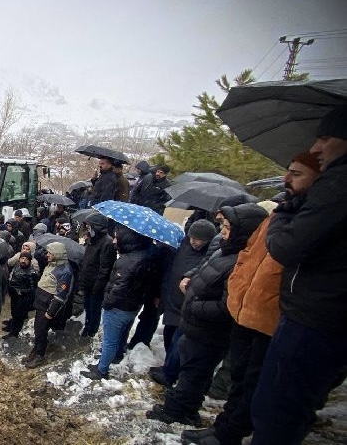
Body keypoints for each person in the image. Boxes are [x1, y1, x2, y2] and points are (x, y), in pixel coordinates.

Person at [181, 153, 321, 445]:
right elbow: (247, 255)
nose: (286, 179)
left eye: (296, 174)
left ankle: (230, 433)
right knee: (240, 378)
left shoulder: (312, 220)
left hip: (272, 317)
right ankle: (226, 429)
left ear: (320, 179)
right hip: (244, 312)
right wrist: (237, 293)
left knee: (258, 385)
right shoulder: (280, 215)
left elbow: (285, 256)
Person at [250, 106, 347, 445]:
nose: (318, 148)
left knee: (277, 408)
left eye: (325, 138)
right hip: (317, 312)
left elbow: (286, 248)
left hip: (315, 316)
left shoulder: (338, 186)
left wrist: (284, 216)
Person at [147, 203, 268, 427]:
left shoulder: (241, 262)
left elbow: (227, 306)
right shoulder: (226, 249)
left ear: (245, 232)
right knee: (192, 371)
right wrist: (189, 277)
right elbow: (206, 266)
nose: (222, 231)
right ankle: (188, 409)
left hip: (210, 331)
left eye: (228, 227)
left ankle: (174, 412)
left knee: (193, 373)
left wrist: (194, 305)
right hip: (197, 325)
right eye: (223, 226)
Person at [149, 220, 217, 388]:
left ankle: (171, 372)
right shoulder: (183, 247)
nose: (194, 241)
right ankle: (168, 365)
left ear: (208, 239)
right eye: (192, 237)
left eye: (199, 239)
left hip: (188, 305)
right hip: (172, 300)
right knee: (168, 335)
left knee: (179, 342)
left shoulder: (210, 255)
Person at [82, 225, 153, 380]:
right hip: (133, 306)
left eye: (116, 237)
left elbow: (119, 287)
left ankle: (101, 370)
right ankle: (117, 355)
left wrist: (107, 302)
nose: (114, 241)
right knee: (122, 334)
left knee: (109, 340)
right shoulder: (145, 256)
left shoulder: (126, 262)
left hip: (118, 307)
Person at [23, 242, 74, 369]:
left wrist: (50, 312)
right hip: (41, 303)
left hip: (47, 306)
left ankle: (39, 355)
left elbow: (61, 295)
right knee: (37, 329)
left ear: (57, 255)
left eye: (50, 253)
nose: (47, 255)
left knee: (41, 331)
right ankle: (35, 351)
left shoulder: (65, 271)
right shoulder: (52, 264)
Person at [77, 214, 117, 338]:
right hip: (88, 282)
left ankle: (91, 331)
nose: (88, 229)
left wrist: (97, 286)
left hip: (96, 285)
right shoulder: (92, 240)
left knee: (94, 309)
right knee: (88, 307)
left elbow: (105, 269)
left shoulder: (107, 243)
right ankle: (88, 326)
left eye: (89, 226)